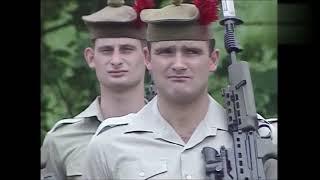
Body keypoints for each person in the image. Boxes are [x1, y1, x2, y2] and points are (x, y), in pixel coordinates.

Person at [83, 0, 277, 179]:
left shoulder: (261, 137)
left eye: (191, 52)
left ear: (213, 60)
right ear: (147, 58)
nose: (178, 64)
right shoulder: (109, 144)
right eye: (166, 52)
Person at [40, 0, 153, 179]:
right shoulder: (62, 140)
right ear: (91, 58)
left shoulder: (169, 132)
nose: (116, 60)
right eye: (107, 50)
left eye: (126, 49)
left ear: (147, 56)